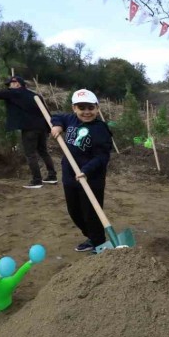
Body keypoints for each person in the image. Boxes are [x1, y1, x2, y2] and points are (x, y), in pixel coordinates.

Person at [0, 76, 57, 189]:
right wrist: (50, 127)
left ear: (17, 84)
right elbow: (45, 111)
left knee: (30, 154)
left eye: (10, 84)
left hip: (29, 128)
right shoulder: (35, 95)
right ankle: (52, 176)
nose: (8, 87)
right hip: (42, 128)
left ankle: (37, 180)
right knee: (43, 152)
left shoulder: (14, 93)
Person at [50, 89, 113, 252]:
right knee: (75, 212)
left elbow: (102, 157)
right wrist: (57, 125)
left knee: (91, 214)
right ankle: (91, 237)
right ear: (74, 108)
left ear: (97, 108)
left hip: (91, 179)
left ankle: (99, 243)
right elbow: (56, 116)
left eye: (90, 108)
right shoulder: (70, 118)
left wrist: (86, 170)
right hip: (69, 177)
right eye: (81, 107)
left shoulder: (100, 129)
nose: (86, 112)